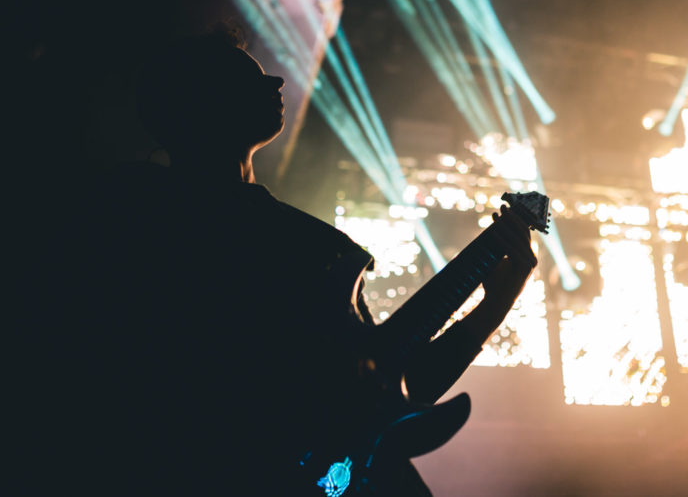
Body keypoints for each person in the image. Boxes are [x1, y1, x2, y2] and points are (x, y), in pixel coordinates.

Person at [54, 26, 537, 496]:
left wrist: (495, 303)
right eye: (248, 78)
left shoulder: (320, 249)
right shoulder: (136, 213)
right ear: (198, 101)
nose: (277, 82)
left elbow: (387, 393)